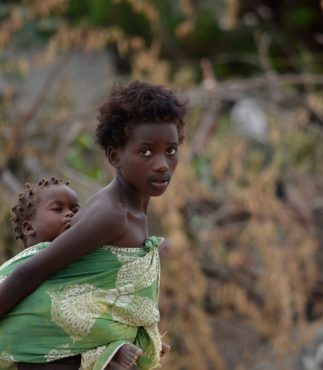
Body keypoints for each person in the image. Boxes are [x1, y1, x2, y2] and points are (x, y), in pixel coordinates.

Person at [0, 80, 187, 370]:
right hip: (47, 351)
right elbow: (32, 272)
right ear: (115, 156)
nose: (162, 164)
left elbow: (102, 294)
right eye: (147, 152)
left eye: (171, 150)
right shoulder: (113, 214)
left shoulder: (130, 210)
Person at [0, 176, 145, 370]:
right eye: (57, 209)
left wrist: (145, 331)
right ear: (29, 227)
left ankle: (111, 352)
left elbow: (114, 299)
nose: (69, 214)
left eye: (75, 210)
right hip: (34, 351)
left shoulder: (88, 262)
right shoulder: (24, 266)